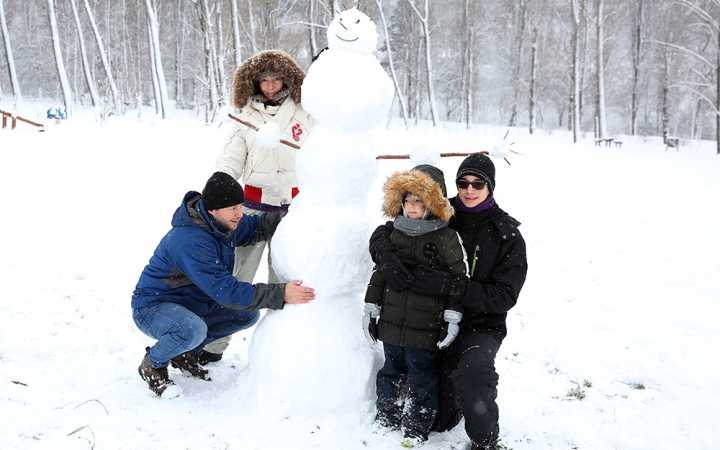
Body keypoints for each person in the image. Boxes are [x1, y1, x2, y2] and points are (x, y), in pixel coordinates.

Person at [368, 154, 528, 450]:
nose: (469, 190)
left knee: (473, 373)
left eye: (478, 184)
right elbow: (390, 229)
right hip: (432, 320)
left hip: (479, 324)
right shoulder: (442, 208)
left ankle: (485, 440)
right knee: (438, 420)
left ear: (490, 186)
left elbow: (504, 296)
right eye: (463, 183)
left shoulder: (506, 234)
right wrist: (385, 255)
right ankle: (447, 401)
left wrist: (450, 286)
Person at [132, 172, 315, 397]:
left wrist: (297, 214)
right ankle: (153, 363)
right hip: (153, 307)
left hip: (192, 304)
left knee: (246, 316)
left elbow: (257, 226)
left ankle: (183, 352)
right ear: (212, 209)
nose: (239, 214)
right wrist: (280, 293)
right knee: (192, 330)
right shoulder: (190, 241)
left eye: (240, 206)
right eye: (232, 209)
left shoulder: (222, 222)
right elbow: (227, 292)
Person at [207, 50, 316, 363]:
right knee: (236, 278)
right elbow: (231, 159)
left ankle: (279, 352)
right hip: (252, 211)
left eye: (275, 79)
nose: (270, 86)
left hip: (294, 212)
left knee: (283, 283)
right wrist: (218, 189)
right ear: (253, 83)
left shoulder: (305, 112)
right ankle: (214, 345)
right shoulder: (245, 117)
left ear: (286, 79)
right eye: (264, 80)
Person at [362, 165, 468, 448]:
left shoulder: (446, 238)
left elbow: (458, 279)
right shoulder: (395, 233)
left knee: (422, 378)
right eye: (407, 200)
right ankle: (387, 416)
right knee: (390, 372)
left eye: (419, 200)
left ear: (434, 203)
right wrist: (371, 305)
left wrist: (452, 316)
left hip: (425, 328)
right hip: (392, 324)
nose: (411, 206)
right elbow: (380, 273)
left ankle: (416, 426)